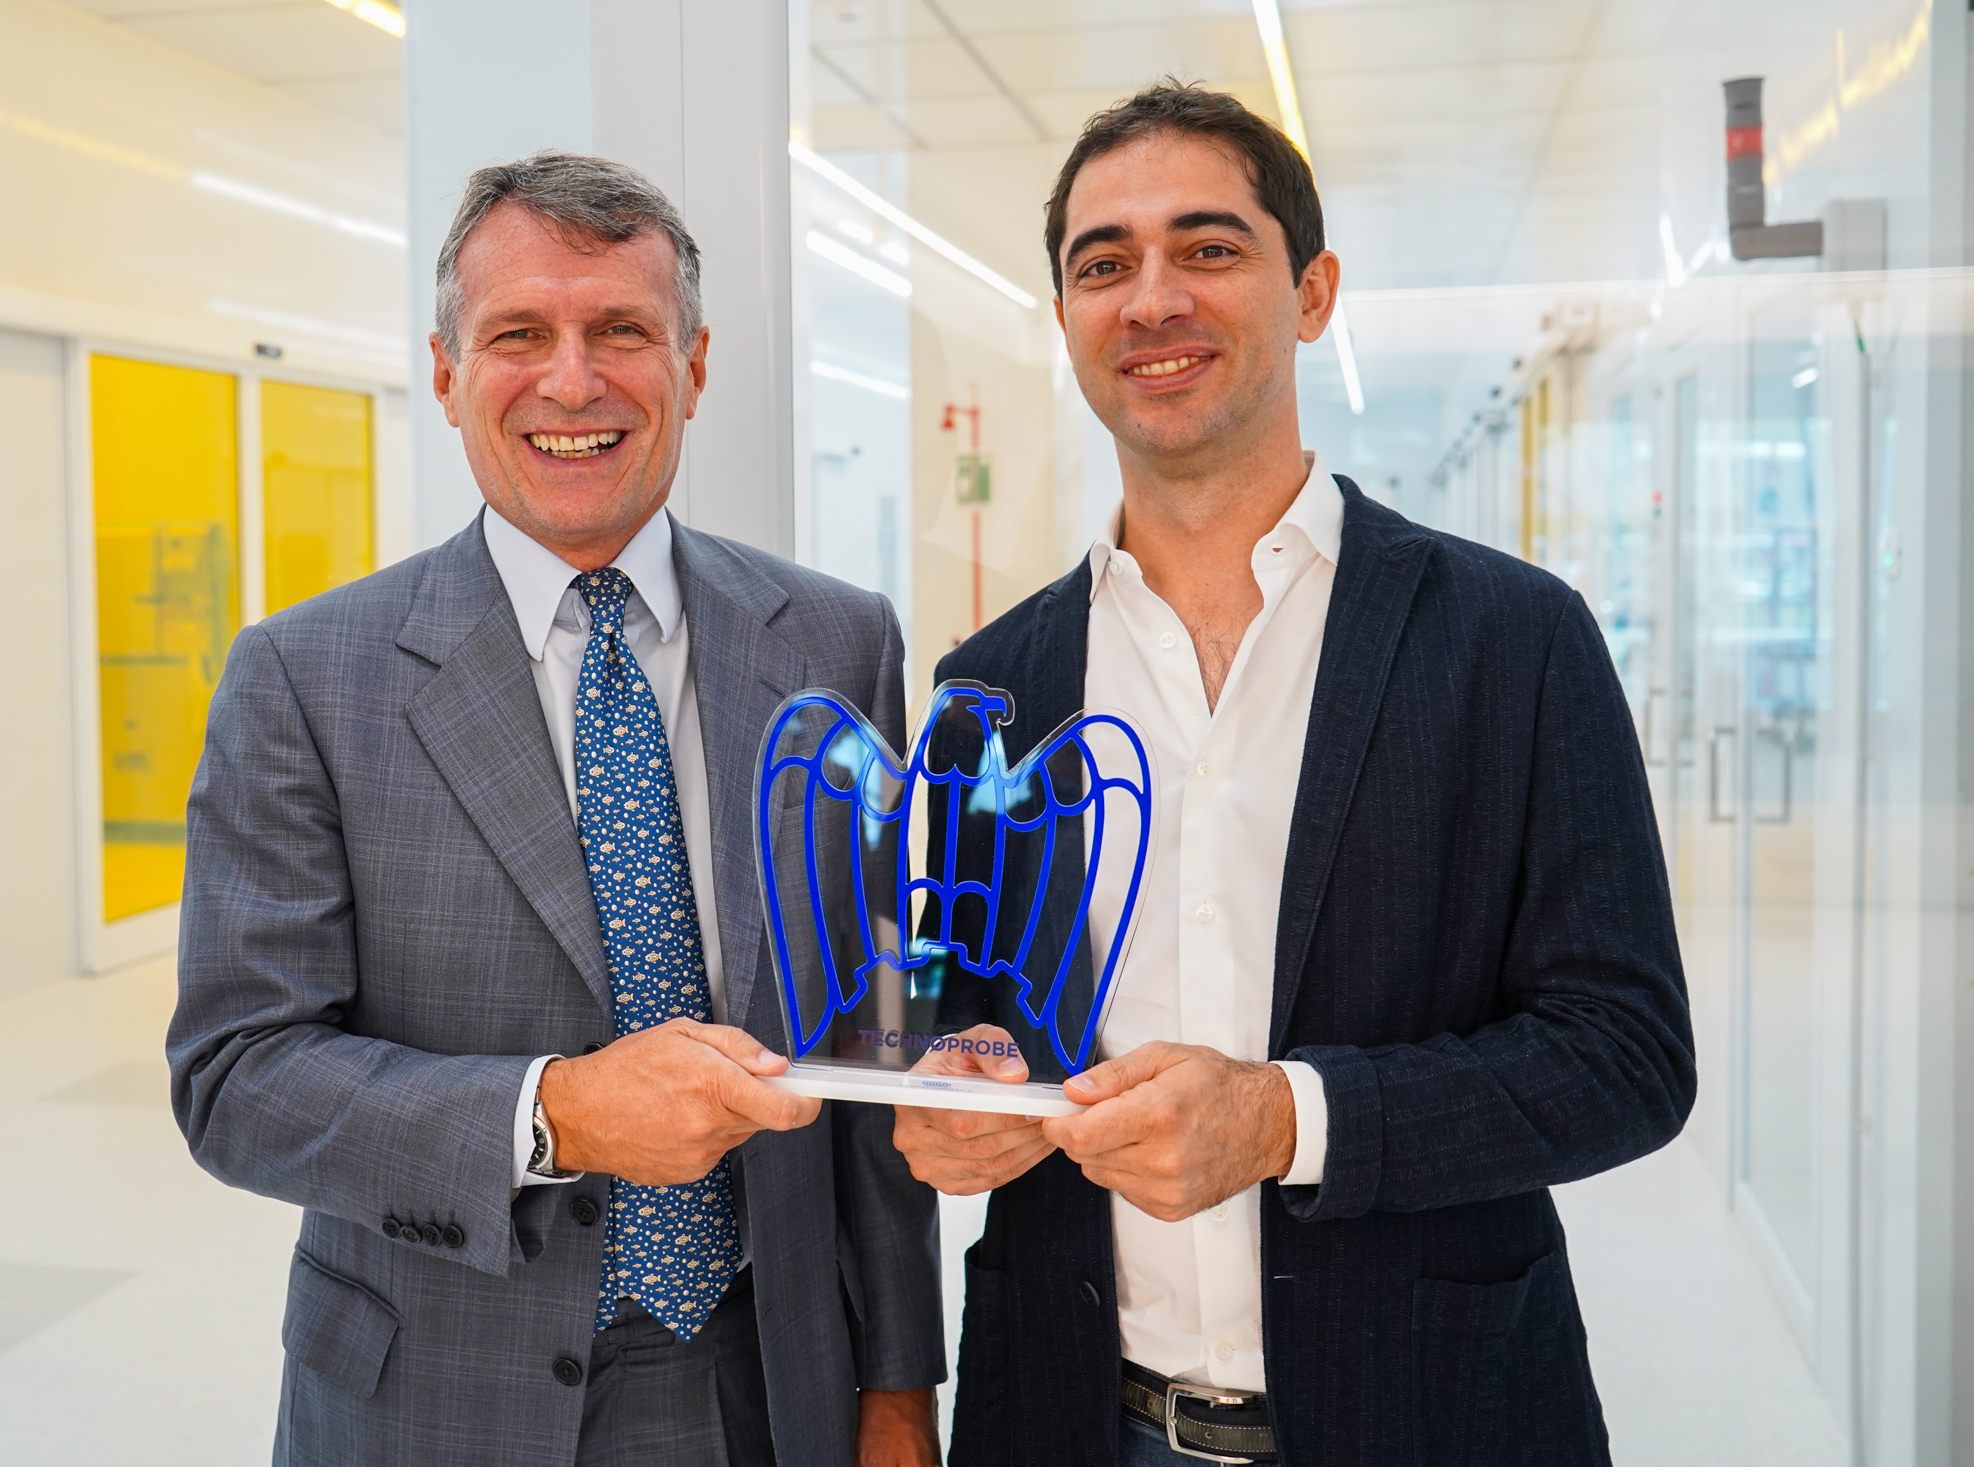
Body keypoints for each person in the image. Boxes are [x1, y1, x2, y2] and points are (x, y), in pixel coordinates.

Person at [891, 83, 1695, 1466]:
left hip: (1429, 1415)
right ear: (1068, 318)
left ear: (1312, 292)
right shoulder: (991, 688)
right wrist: (958, 1077)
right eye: (1104, 264)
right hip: (1072, 1419)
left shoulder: (1512, 642)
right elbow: (965, 1011)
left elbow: (1626, 1056)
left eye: (1207, 248)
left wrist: (1285, 1120)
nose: (1153, 299)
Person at [168, 153, 943, 1467]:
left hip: (771, 1381)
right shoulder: (306, 677)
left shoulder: (835, 644)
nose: (572, 382)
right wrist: (558, 1114)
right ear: (446, 373)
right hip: (440, 1393)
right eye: (518, 334)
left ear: (694, 367)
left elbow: (872, 1039)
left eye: (622, 331)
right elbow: (238, 1079)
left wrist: (899, 1384)